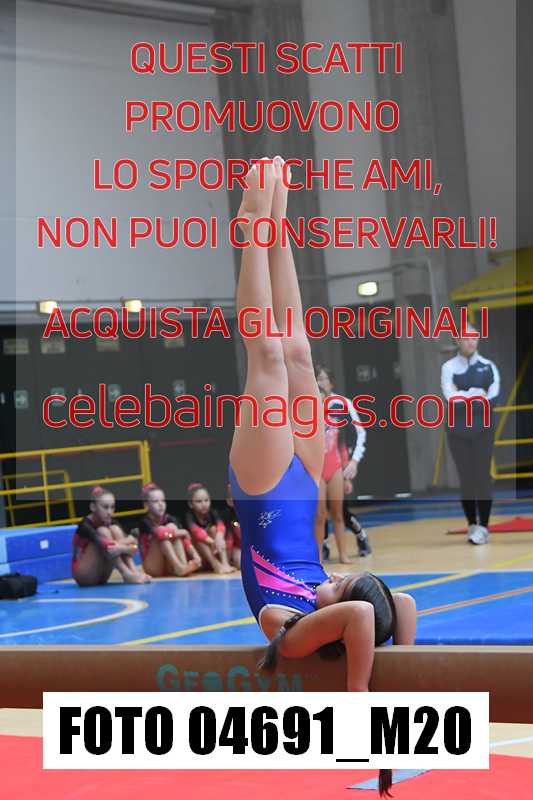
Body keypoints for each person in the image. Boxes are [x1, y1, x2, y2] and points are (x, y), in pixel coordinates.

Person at [228, 156, 416, 797]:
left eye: (339, 585)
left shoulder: (291, 625)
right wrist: (399, 675)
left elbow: (363, 612)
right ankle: (279, 223)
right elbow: (393, 607)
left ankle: (253, 225)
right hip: (303, 483)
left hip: (262, 490)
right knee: (301, 351)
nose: (332, 578)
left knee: (267, 354)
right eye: (344, 579)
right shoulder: (335, 605)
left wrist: (360, 693)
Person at [441, 325, 500, 545]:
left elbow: (493, 399)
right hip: (458, 432)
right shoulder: (448, 367)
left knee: (482, 477)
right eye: (466, 338)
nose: (470, 342)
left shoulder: (489, 366)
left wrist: (465, 395)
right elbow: (451, 398)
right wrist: (477, 394)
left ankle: (484, 526)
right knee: (466, 479)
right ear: (457, 340)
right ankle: (472, 524)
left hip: (483, 430)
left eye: (474, 338)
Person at [315, 367, 371, 560]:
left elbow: (357, 434)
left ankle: (352, 544)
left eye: (323, 379)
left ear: (331, 382)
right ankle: (321, 551)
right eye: (317, 379)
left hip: (337, 465)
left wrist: (353, 462)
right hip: (317, 469)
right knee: (319, 514)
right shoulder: (306, 406)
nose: (320, 383)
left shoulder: (343, 404)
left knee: (339, 512)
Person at [72, 486, 150, 586]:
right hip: (84, 575)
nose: (109, 512)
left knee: (115, 529)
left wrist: (125, 547)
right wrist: (126, 545)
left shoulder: (112, 522)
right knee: (103, 531)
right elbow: (108, 546)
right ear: (93, 507)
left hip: (102, 575)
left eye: (112, 507)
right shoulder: (85, 525)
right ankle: (125, 573)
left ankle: (133, 571)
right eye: (105, 507)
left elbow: (134, 547)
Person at [137, 483, 201, 577]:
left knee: (172, 527)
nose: (160, 504)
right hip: (153, 567)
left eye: (163, 501)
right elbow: (160, 534)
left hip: (167, 565)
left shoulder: (169, 518)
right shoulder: (144, 522)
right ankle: (179, 567)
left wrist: (195, 555)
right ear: (146, 505)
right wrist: (183, 532)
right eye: (155, 501)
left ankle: (182, 565)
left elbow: (183, 539)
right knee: (163, 534)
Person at [184, 483, 235, 574]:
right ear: (190, 504)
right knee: (199, 540)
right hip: (199, 557)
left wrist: (219, 537)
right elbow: (196, 532)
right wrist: (213, 542)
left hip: (215, 550)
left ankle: (225, 563)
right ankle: (216, 566)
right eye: (199, 501)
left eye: (206, 500)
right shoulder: (189, 516)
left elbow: (221, 526)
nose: (204, 504)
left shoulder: (212, 512)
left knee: (214, 529)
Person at [224, 483, 242, 569]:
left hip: (248, 546)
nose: (233, 499)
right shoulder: (226, 514)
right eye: (230, 496)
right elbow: (229, 538)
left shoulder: (248, 512)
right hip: (236, 547)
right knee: (240, 562)